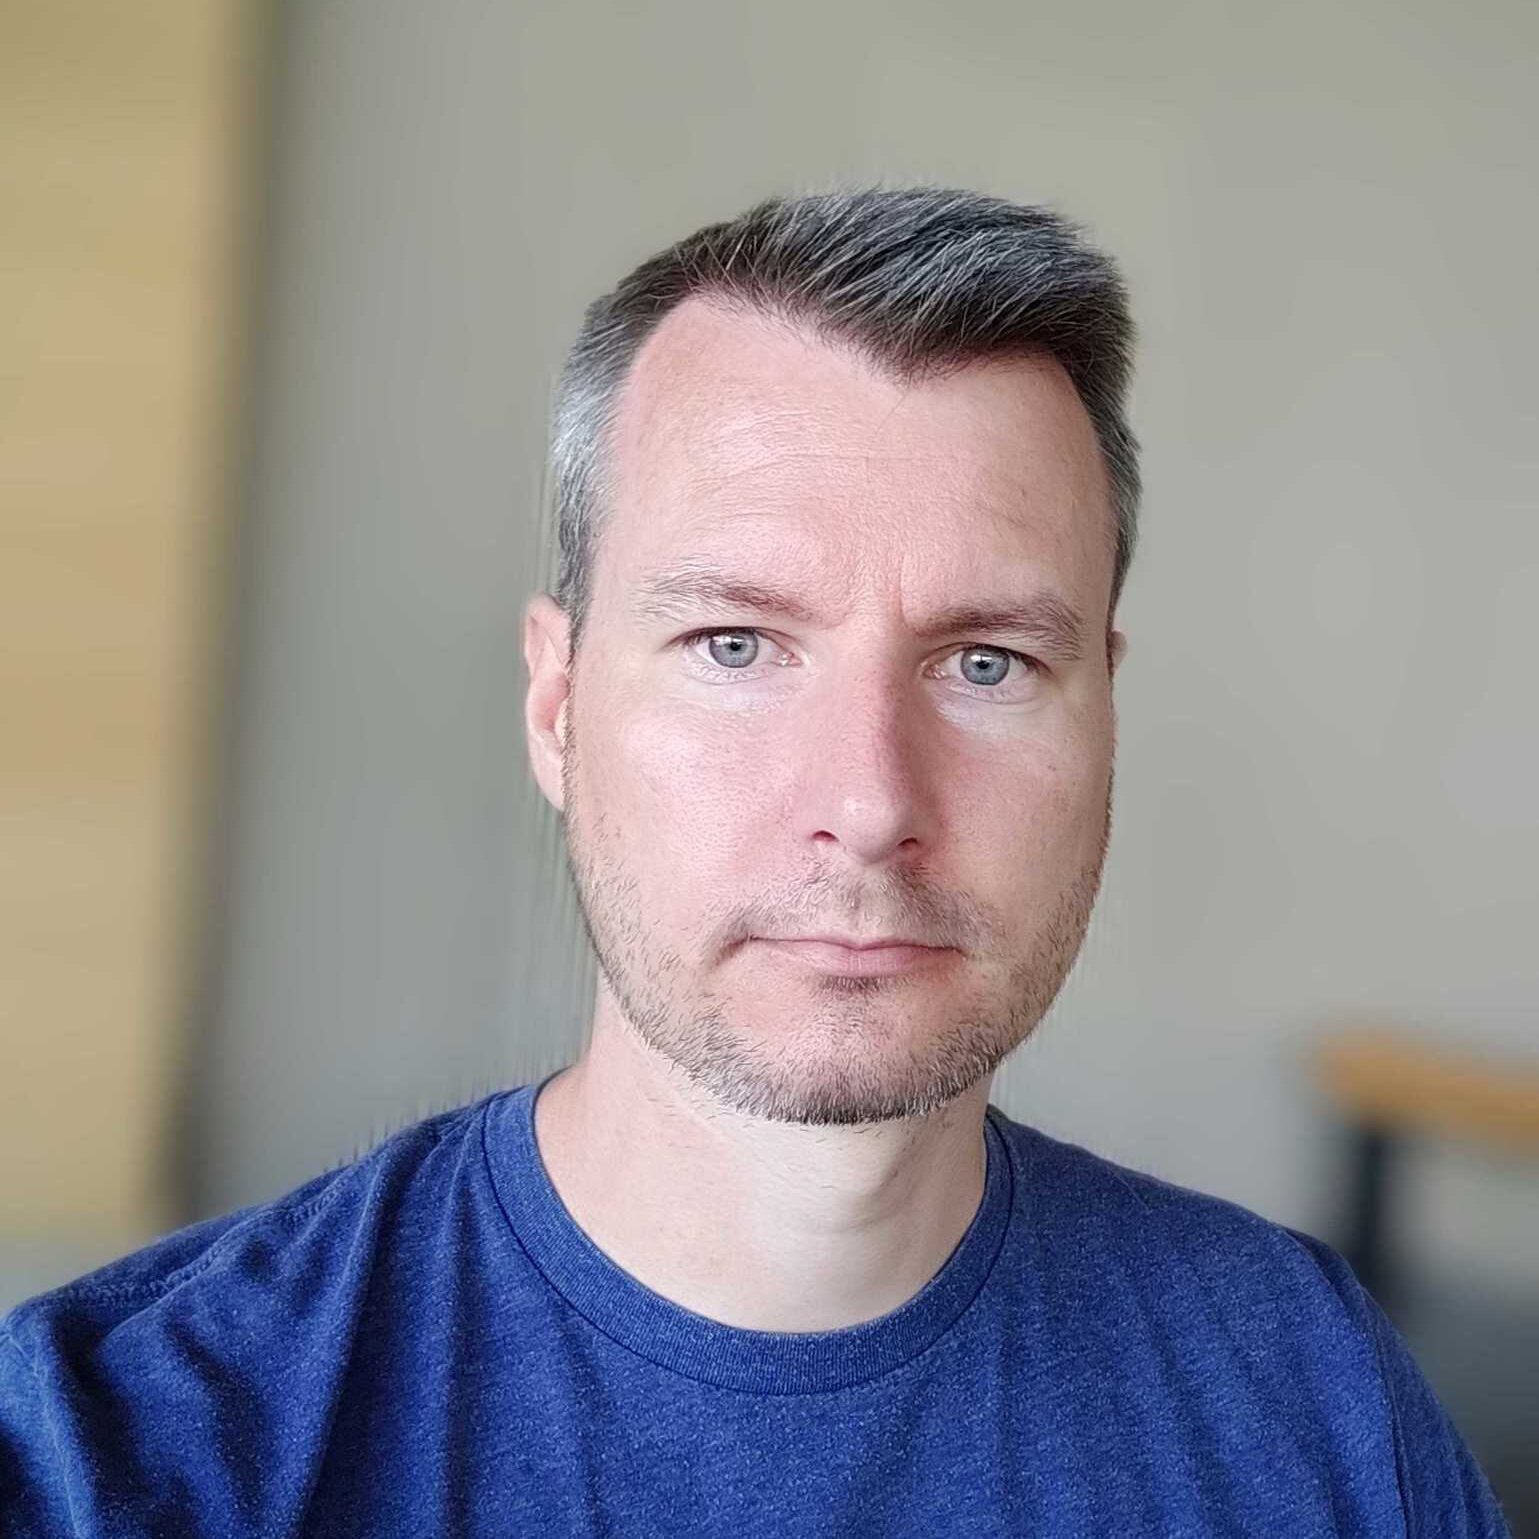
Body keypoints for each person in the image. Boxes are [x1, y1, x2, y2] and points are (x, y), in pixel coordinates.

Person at [0, 186, 1512, 1537]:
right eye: (737, 645)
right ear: (556, 703)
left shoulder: (1313, 1405)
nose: (866, 800)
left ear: (1108, 711)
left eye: (986, 663)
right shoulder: (124, 1455)